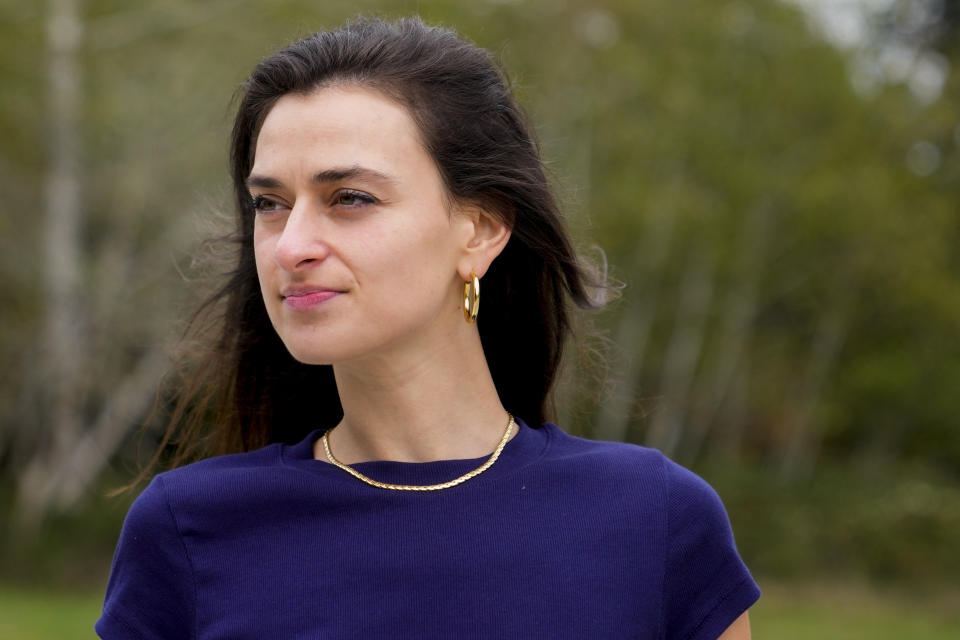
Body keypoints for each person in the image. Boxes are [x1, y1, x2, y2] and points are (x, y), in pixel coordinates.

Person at [96, 16, 759, 640]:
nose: (289, 244)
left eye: (350, 198)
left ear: (480, 229)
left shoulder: (655, 519)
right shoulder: (187, 530)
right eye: (269, 204)